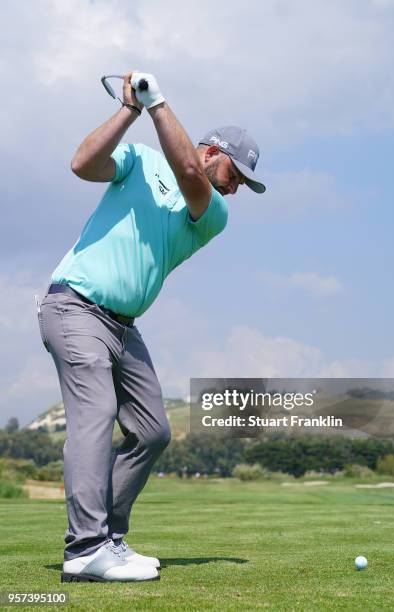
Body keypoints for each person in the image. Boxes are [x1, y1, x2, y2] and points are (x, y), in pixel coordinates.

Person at [36, 71, 265, 583]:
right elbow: (82, 164)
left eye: (243, 185)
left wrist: (157, 101)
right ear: (214, 150)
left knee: (152, 431)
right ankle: (85, 548)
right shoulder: (140, 159)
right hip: (75, 307)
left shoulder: (213, 211)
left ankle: (110, 540)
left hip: (123, 327)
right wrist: (131, 110)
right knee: (96, 414)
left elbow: (187, 168)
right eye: (236, 174)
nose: (236, 188)